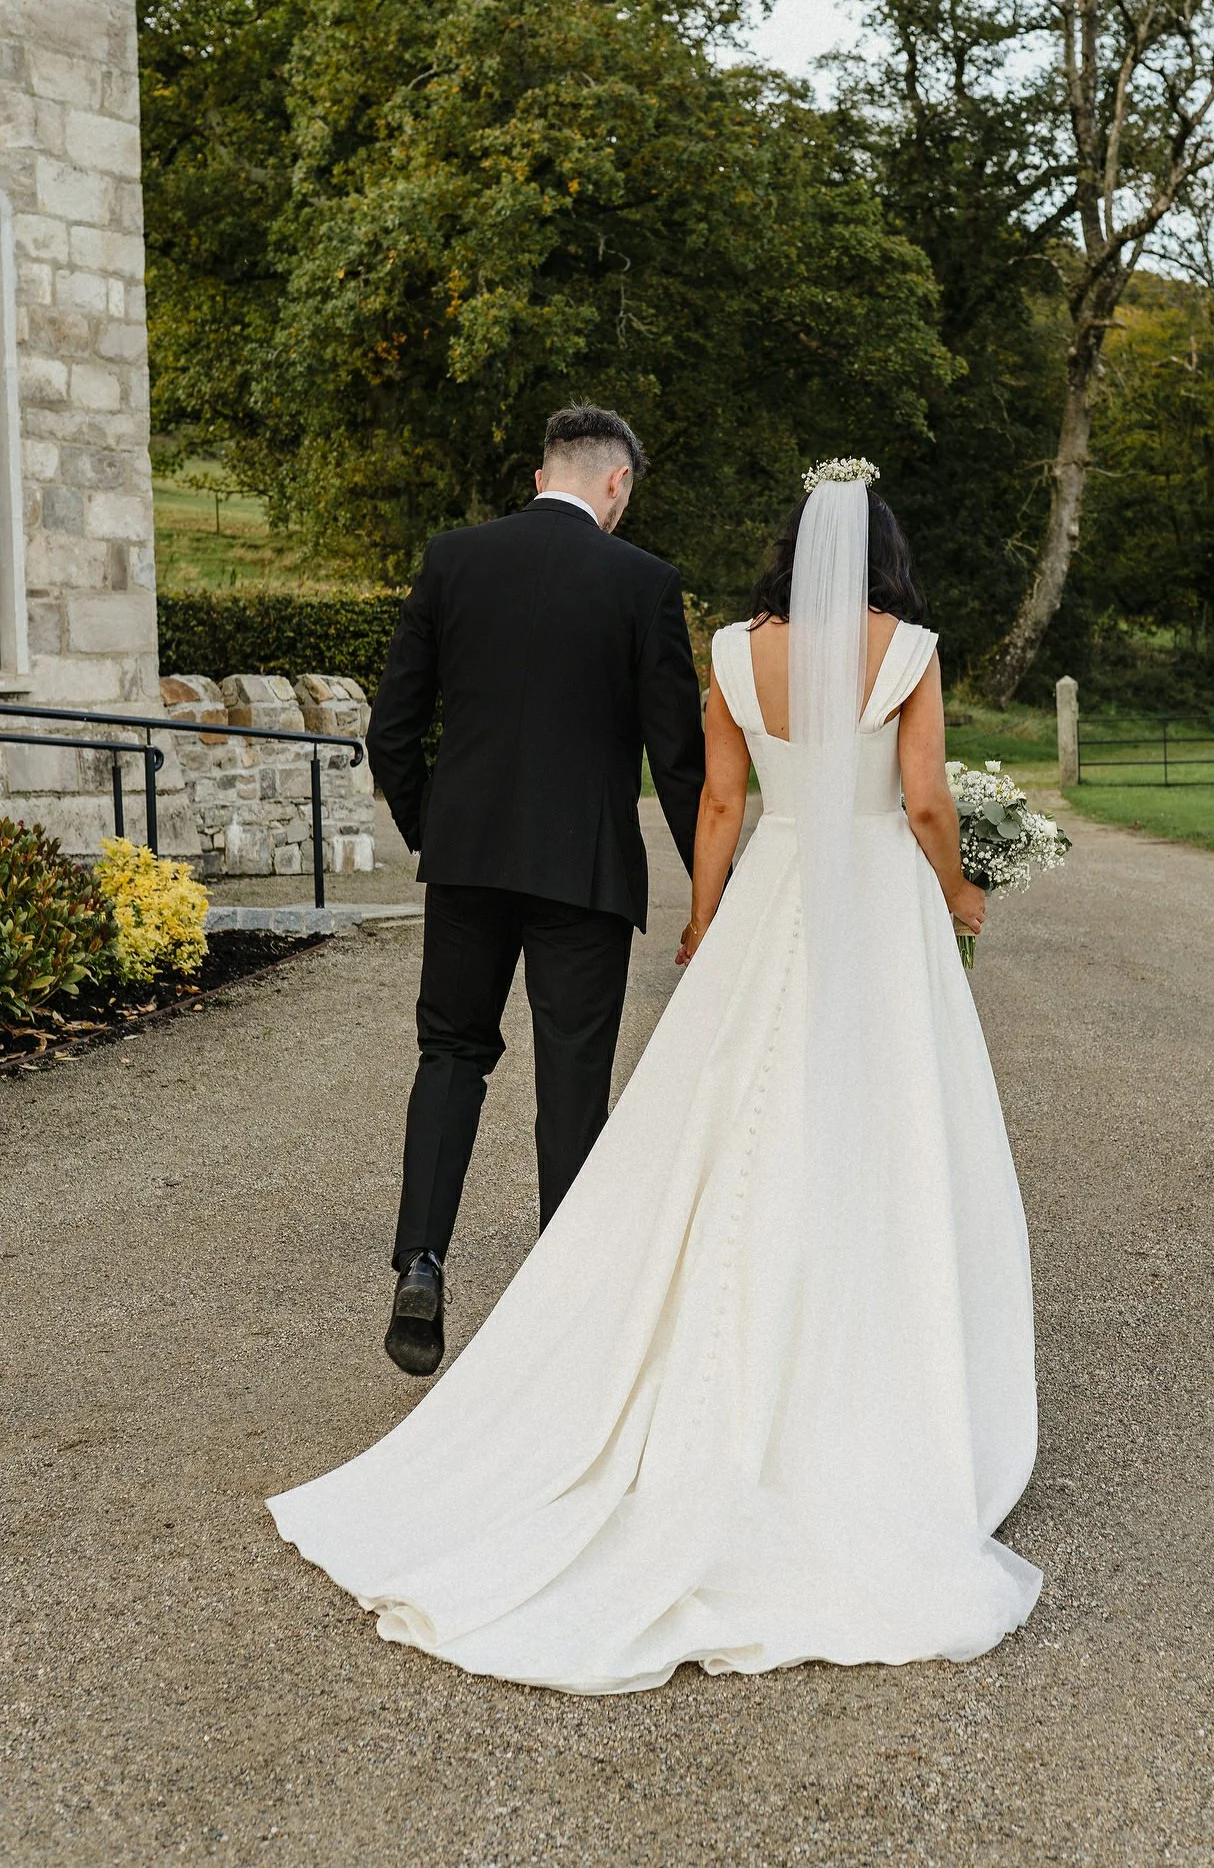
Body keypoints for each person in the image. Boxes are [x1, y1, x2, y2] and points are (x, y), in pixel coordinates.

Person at [270, 461, 1040, 1690]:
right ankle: (870, 1360)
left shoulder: (735, 649)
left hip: (760, 892)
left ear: (792, 546)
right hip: (878, 916)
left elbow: (720, 801)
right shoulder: (910, 649)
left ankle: (539, 1304)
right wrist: (957, 888)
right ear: (884, 552)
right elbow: (928, 799)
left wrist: (707, 920)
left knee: (712, 1120)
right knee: (886, 1120)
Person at [364, 405, 705, 1376]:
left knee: (451, 1054)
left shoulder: (454, 559)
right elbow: (678, 763)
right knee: (572, 1083)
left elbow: (393, 731)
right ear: (617, 485)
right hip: (585, 873)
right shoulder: (645, 585)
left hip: (469, 861)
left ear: (540, 474)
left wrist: (442, 833)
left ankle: (422, 1261)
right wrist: (716, 889)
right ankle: (566, 1310)